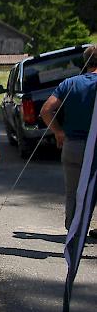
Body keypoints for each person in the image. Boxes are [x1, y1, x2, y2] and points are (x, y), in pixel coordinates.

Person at [41, 45, 97, 236]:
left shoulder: (70, 83)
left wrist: (58, 132)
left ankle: (74, 231)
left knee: (73, 191)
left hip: (72, 145)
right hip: (95, 145)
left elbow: (46, 110)